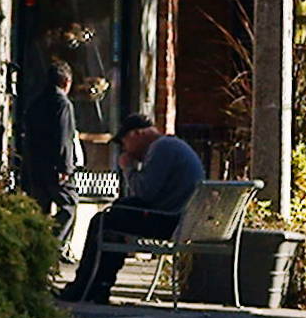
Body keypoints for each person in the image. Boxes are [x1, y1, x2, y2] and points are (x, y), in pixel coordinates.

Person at [62, 115, 204, 304]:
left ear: (137, 134)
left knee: (101, 222)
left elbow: (144, 192)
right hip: (179, 218)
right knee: (117, 215)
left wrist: (128, 168)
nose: (125, 150)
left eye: (124, 143)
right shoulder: (172, 146)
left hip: (168, 221)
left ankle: (84, 287)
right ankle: (98, 287)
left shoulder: (161, 148)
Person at [16, 61, 81, 221]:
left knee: (40, 209)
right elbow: (64, 137)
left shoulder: (35, 103)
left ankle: (42, 236)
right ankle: (57, 236)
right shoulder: (62, 104)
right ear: (66, 82)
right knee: (69, 203)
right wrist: (65, 167)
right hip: (54, 166)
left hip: (35, 166)